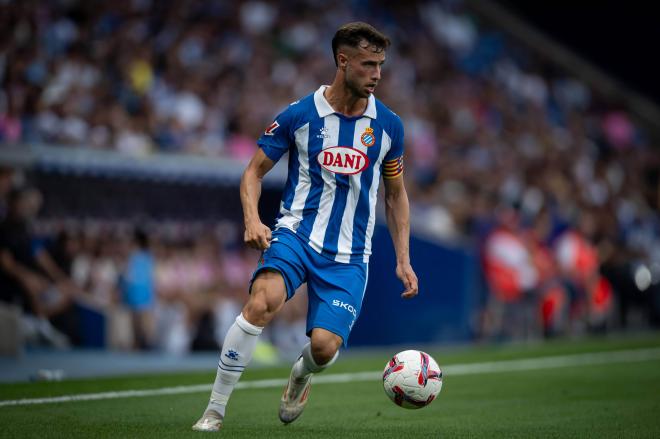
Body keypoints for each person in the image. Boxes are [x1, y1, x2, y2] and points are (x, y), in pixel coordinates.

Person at [193, 22, 419, 432]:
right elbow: (252, 174)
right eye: (369, 64)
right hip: (296, 235)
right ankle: (214, 409)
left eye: (381, 65)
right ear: (343, 61)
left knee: (324, 346)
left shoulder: (388, 126)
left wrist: (403, 258)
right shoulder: (299, 115)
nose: (377, 74)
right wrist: (253, 219)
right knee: (262, 302)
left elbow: (395, 193)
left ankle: (301, 374)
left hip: (350, 255)